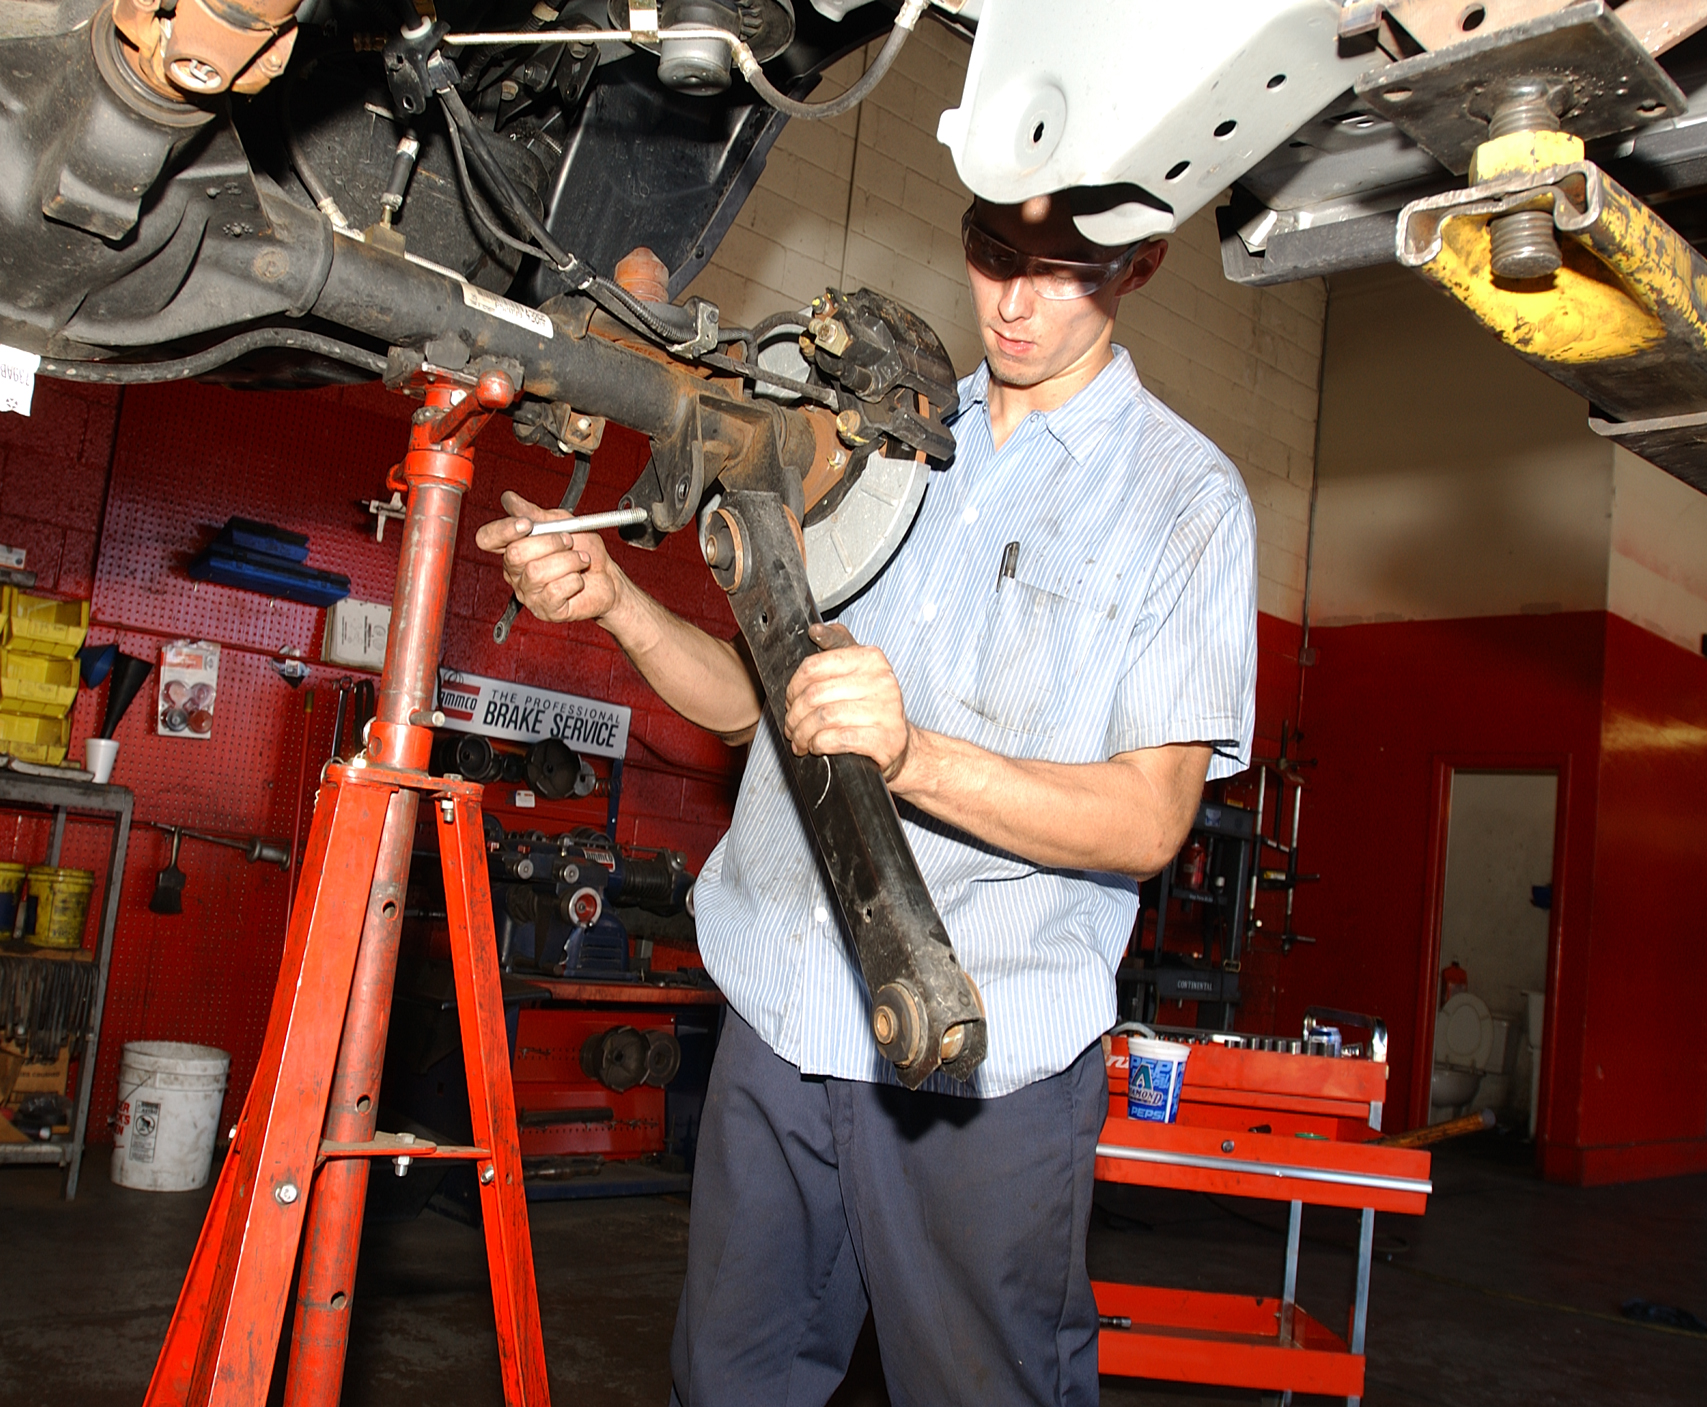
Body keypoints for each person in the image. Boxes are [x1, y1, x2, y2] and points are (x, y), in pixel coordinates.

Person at [477, 190, 1256, 1406]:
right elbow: (755, 710)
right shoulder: (870, 435)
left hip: (978, 1061)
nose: (1014, 303)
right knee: (728, 1389)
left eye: (1064, 271)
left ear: (1142, 264)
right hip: (781, 1016)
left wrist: (913, 755)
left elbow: (1148, 819)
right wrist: (619, 602)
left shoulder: (1185, 501)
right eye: (994, 255)